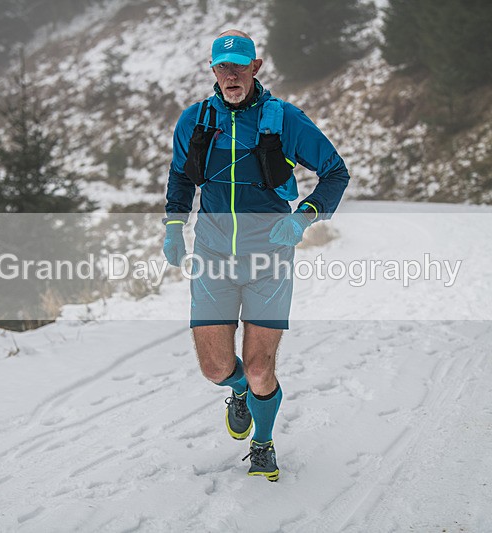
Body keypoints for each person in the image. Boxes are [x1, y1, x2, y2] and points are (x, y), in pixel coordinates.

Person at [163, 29, 350, 481]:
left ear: (256, 67)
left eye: (239, 66)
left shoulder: (283, 119)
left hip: (269, 256)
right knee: (215, 368)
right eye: (222, 67)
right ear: (213, 71)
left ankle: (263, 443)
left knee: (263, 367)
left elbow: (335, 173)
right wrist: (173, 226)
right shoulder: (195, 120)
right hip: (211, 255)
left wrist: (303, 217)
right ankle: (239, 391)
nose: (231, 75)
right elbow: (180, 178)